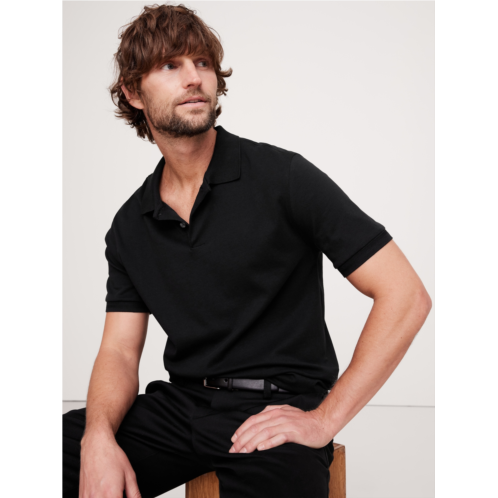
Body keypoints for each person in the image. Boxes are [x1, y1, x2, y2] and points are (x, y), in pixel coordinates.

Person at [62, 4, 433, 498]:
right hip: (181, 407)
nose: (194, 78)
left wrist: (323, 420)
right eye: (170, 65)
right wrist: (97, 437)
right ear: (132, 92)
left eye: (202, 62)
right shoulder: (131, 225)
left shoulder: (284, 177)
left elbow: (405, 295)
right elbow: (119, 352)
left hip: (277, 409)